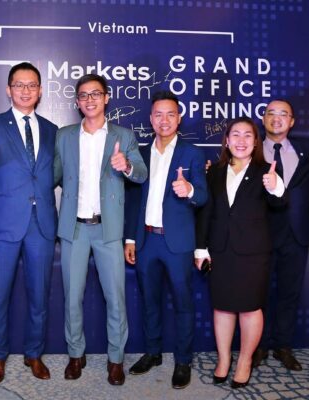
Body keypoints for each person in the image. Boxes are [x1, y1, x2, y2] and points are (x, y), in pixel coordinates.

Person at [0, 62, 58, 384]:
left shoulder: (51, 129)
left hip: (41, 224)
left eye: (32, 85)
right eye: (19, 85)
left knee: (40, 295)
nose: (25, 90)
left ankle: (34, 353)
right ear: (8, 89)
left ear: (40, 90)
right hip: (2, 224)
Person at [54, 74, 147, 386]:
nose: (90, 100)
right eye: (83, 95)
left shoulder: (124, 135)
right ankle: (75, 354)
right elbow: (51, 175)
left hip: (108, 230)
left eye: (96, 94)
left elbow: (141, 174)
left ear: (107, 97)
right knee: (72, 298)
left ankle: (116, 359)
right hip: (74, 229)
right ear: (77, 102)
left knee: (115, 299)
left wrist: (126, 166)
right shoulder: (65, 136)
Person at [124, 90, 207, 389]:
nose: (164, 120)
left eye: (170, 114)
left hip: (178, 244)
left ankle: (183, 360)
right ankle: (153, 352)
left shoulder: (192, 153)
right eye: (158, 114)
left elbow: (203, 196)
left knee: (183, 302)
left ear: (179, 118)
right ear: (151, 118)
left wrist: (190, 190)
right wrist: (130, 239)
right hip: (146, 240)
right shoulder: (141, 153)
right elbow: (134, 199)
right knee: (149, 301)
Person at [195, 117, 286, 388]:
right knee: (222, 307)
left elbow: (280, 203)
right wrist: (201, 248)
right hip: (220, 250)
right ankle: (224, 359)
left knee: (250, 309)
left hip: (253, 253)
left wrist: (275, 186)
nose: (241, 140)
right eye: (235, 134)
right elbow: (205, 213)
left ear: (256, 142)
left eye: (248, 135)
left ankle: (245, 361)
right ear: (226, 140)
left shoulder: (266, 171)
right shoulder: (213, 172)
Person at [252, 100, 309, 371]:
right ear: (263, 119)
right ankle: (258, 346)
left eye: (283, 114)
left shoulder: (304, 150)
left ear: (292, 121)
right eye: (271, 113)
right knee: (258, 294)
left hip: (296, 234)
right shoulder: (250, 149)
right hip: (259, 234)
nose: (277, 118)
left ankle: (283, 345)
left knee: (289, 293)